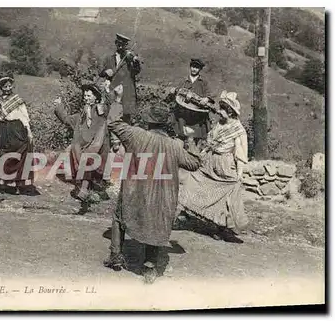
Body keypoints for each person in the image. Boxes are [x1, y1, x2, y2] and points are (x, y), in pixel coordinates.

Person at [103, 104, 201, 284]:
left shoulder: (136, 134)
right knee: (157, 223)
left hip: (135, 192)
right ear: (166, 124)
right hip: (163, 198)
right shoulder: (175, 145)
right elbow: (194, 163)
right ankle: (149, 266)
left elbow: (112, 123)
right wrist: (190, 139)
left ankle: (116, 255)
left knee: (119, 216)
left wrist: (117, 101)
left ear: (148, 121)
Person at [178, 91, 248, 242]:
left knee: (226, 195)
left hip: (225, 163)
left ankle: (224, 229)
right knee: (197, 182)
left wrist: (239, 173)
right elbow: (210, 142)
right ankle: (191, 212)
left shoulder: (237, 129)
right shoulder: (219, 124)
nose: (219, 111)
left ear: (230, 112)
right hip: (210, 161)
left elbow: (240, 153)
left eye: (223, 109)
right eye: (220, 108)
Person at [54, 83, 110, 213]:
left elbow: (105, 112)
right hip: (84, 148)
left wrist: (106, 92)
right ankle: (85, 190)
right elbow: (67, 120)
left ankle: (88, 189)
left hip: (99, 145)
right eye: (85, 95)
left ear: (96, 98)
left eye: (89, 95)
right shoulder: (81, 116)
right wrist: (59, 106)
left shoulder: (100, 110)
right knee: (78, 153)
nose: (86, 98)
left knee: (90, 159)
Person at [0, 72, 39, 196]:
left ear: (12, 85)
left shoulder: (17, 100)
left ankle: (16, 184)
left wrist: (28, 131)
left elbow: (24, 117)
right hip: (2, 128)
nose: (7, 89)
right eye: (4, 87)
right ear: (0, 88)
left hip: (15, 129)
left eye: (9, 86)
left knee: (17, 154)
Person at [168, 58, 214, 150]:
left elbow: (210, 96)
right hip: (183, 114)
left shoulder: (203, 82)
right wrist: (173, 92)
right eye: (193, 66)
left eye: (197, 68)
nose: (194, 69)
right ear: (190, 67)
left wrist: (206, 99)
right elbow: (176, 94)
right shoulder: (184, 81)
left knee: (196, 138)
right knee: (181, 136)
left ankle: (194, 156)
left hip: (196, 115)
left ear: (200, 69)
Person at [102, 33, 141, 124]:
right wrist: (106, 72)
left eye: (122, 45)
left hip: (127, 94)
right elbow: (101, 72)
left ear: (126, 45)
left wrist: (135, 62)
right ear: (116, 43)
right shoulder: (109, 58)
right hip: (113, 92)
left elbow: (136, 71)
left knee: (125, 121)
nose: (120, 47)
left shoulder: (129, 58)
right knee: (111, 118)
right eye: (118, 44)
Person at [98, 69, 123, 153]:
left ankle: (115, 142)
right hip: (104, 113)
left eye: (107, 77)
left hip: (112, 113)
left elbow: (113, 102)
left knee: (112, 119)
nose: (105, 79)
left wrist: (108, 90)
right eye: (104, 77)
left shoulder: (115, 88)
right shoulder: (103, 87)